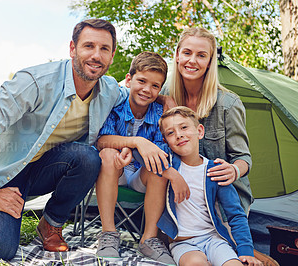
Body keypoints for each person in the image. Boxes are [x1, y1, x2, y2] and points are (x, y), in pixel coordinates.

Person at [0, 19, 129, 260]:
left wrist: (167, 103)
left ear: (112, 55)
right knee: (0, 247)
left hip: (46, 168)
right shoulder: (36, 81)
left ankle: (51, 224)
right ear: (72, 48)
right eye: (88, 46)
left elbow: (141, 93)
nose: (96, 55)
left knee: (88, 157)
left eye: (104, 49)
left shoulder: (109, 90)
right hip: (8, 171)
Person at [95, 51, 189, 264]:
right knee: (108, 154)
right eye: (141, 81)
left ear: (160, 89)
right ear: (129, 80)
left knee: (158, 166)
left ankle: (149, 238)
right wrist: (135, 142)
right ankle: (109, 233)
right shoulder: (115, 105)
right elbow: (101, 140)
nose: (147, 90)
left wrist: (140, 152)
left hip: (141, 176)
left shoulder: (159, 114)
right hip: (114, 172)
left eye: (155, 86)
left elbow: (160, 153)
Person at [158, 106, 262, 266]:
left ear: (200, 131)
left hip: (213, 239)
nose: (179, 135)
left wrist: (246, 251)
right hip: (183, 243)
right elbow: (141, 154)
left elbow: (235, 214)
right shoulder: (168, 161)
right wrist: (171, 174)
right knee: (195, 264)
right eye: (170, 133)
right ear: (165, 141)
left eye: (184, 127)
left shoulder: (215, 170)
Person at [166, 27, 253, 215]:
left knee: (229, 242)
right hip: (180, 194)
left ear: (209, 62)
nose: (192, 61)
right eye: (187, 53)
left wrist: (234, 170)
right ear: (177, 56)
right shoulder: (164, 94)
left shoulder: (228, 104)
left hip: (223, 199)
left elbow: (243, 158)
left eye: (201, 55)